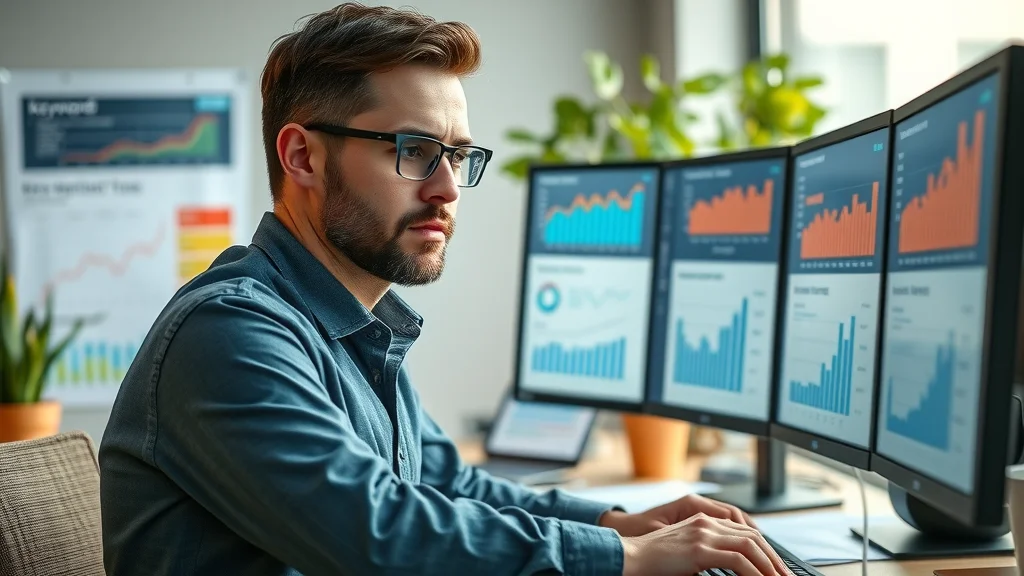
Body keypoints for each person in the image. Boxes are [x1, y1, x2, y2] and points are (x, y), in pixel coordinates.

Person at [98, 3, 794, 576]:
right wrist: (625, 558)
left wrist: (616, 522)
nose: (446, 189)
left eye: (457, 155)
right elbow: (383, 536)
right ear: (303, 156)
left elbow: (445, 484)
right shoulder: (229, 333)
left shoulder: (355, 328)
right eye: (414, 151)